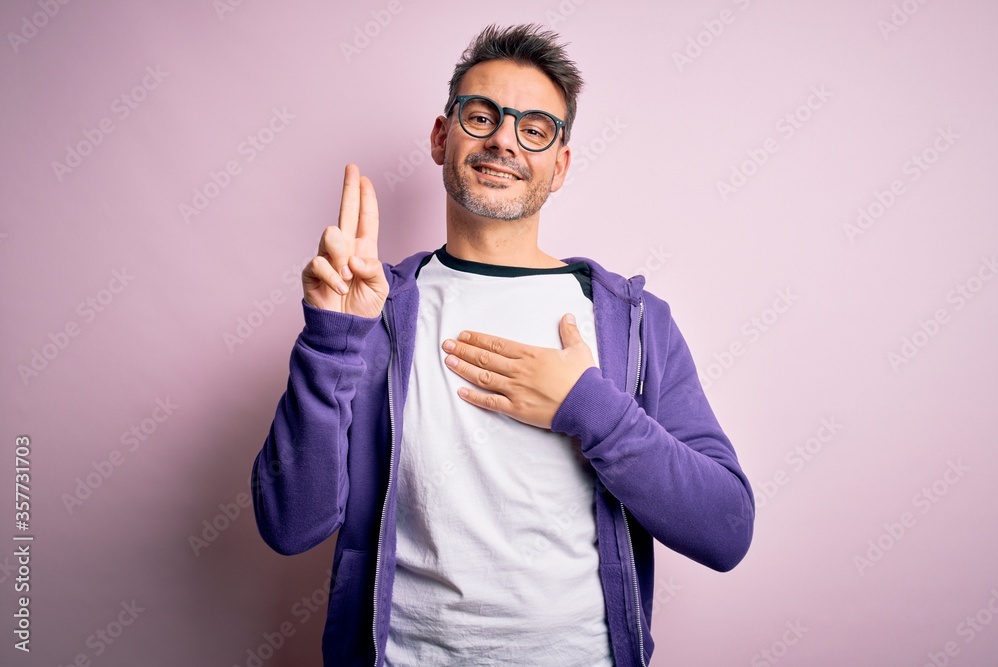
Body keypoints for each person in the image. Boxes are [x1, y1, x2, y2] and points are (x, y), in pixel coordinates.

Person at [251, 23, 754, 667]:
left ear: (560, 164)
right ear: (442, 136)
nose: (503, 141)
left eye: (534, 128)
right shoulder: (375, 310)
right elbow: (290, 525)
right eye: (482, 115)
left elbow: (726, 530)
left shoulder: (631, 323)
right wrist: (330, 341)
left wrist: (589, 408)